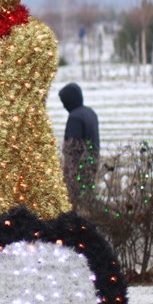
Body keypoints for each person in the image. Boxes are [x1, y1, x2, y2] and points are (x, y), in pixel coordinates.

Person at [58, 82, 100, 210]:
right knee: (88, 196)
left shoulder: (74, 117)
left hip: (78, 166)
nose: (63, 105)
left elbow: (73, 146)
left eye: (64, 101)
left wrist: (69, 169)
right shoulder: (90, 113)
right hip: (92, 160)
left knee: (75, 200)